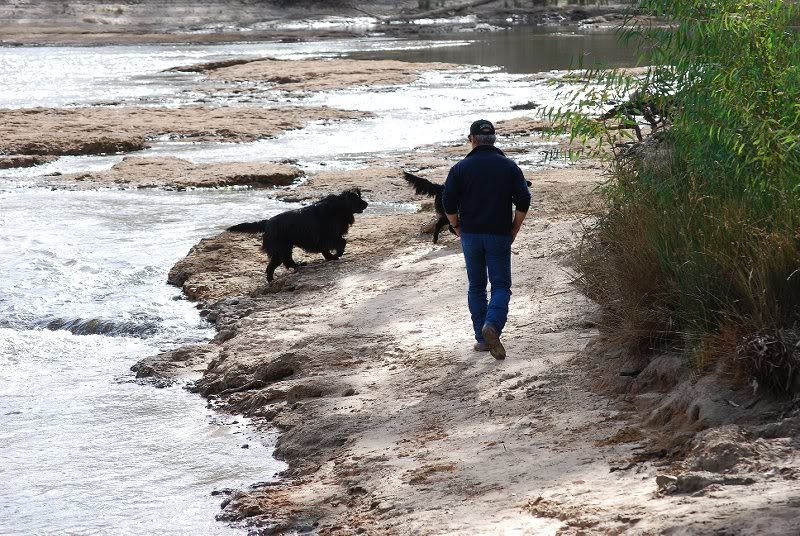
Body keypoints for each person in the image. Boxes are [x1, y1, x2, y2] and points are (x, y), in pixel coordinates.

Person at [442, 119, 531, 360]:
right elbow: (524, 200)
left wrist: (456, 225)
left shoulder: (460, 168)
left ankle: (482, 340)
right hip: (499, 234)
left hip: (470, 234)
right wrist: (515, 228)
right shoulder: (509, 166)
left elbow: (447, 202)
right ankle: (492, 324)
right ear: (494, 139)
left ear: (471, 139)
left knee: (477, 286)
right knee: (501, 285)